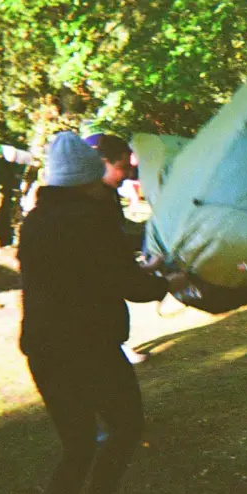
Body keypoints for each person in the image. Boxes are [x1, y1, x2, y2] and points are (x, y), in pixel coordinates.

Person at [18, 132, 188, 494]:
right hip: (90, 348)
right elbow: (128, 285)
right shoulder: (93, 218)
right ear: (88, 181)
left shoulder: (33, 222)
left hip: (43, 350)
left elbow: (86, 275)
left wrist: (135, 272)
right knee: (127, 425)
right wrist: (169, 279)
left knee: (75, 448)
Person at [86, 133, 149, 364]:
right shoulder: (89, 204)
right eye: (122, 167)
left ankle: (117, 345)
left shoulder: (107, 194)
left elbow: (119, 234)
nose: (129, 175)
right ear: (103, 164)